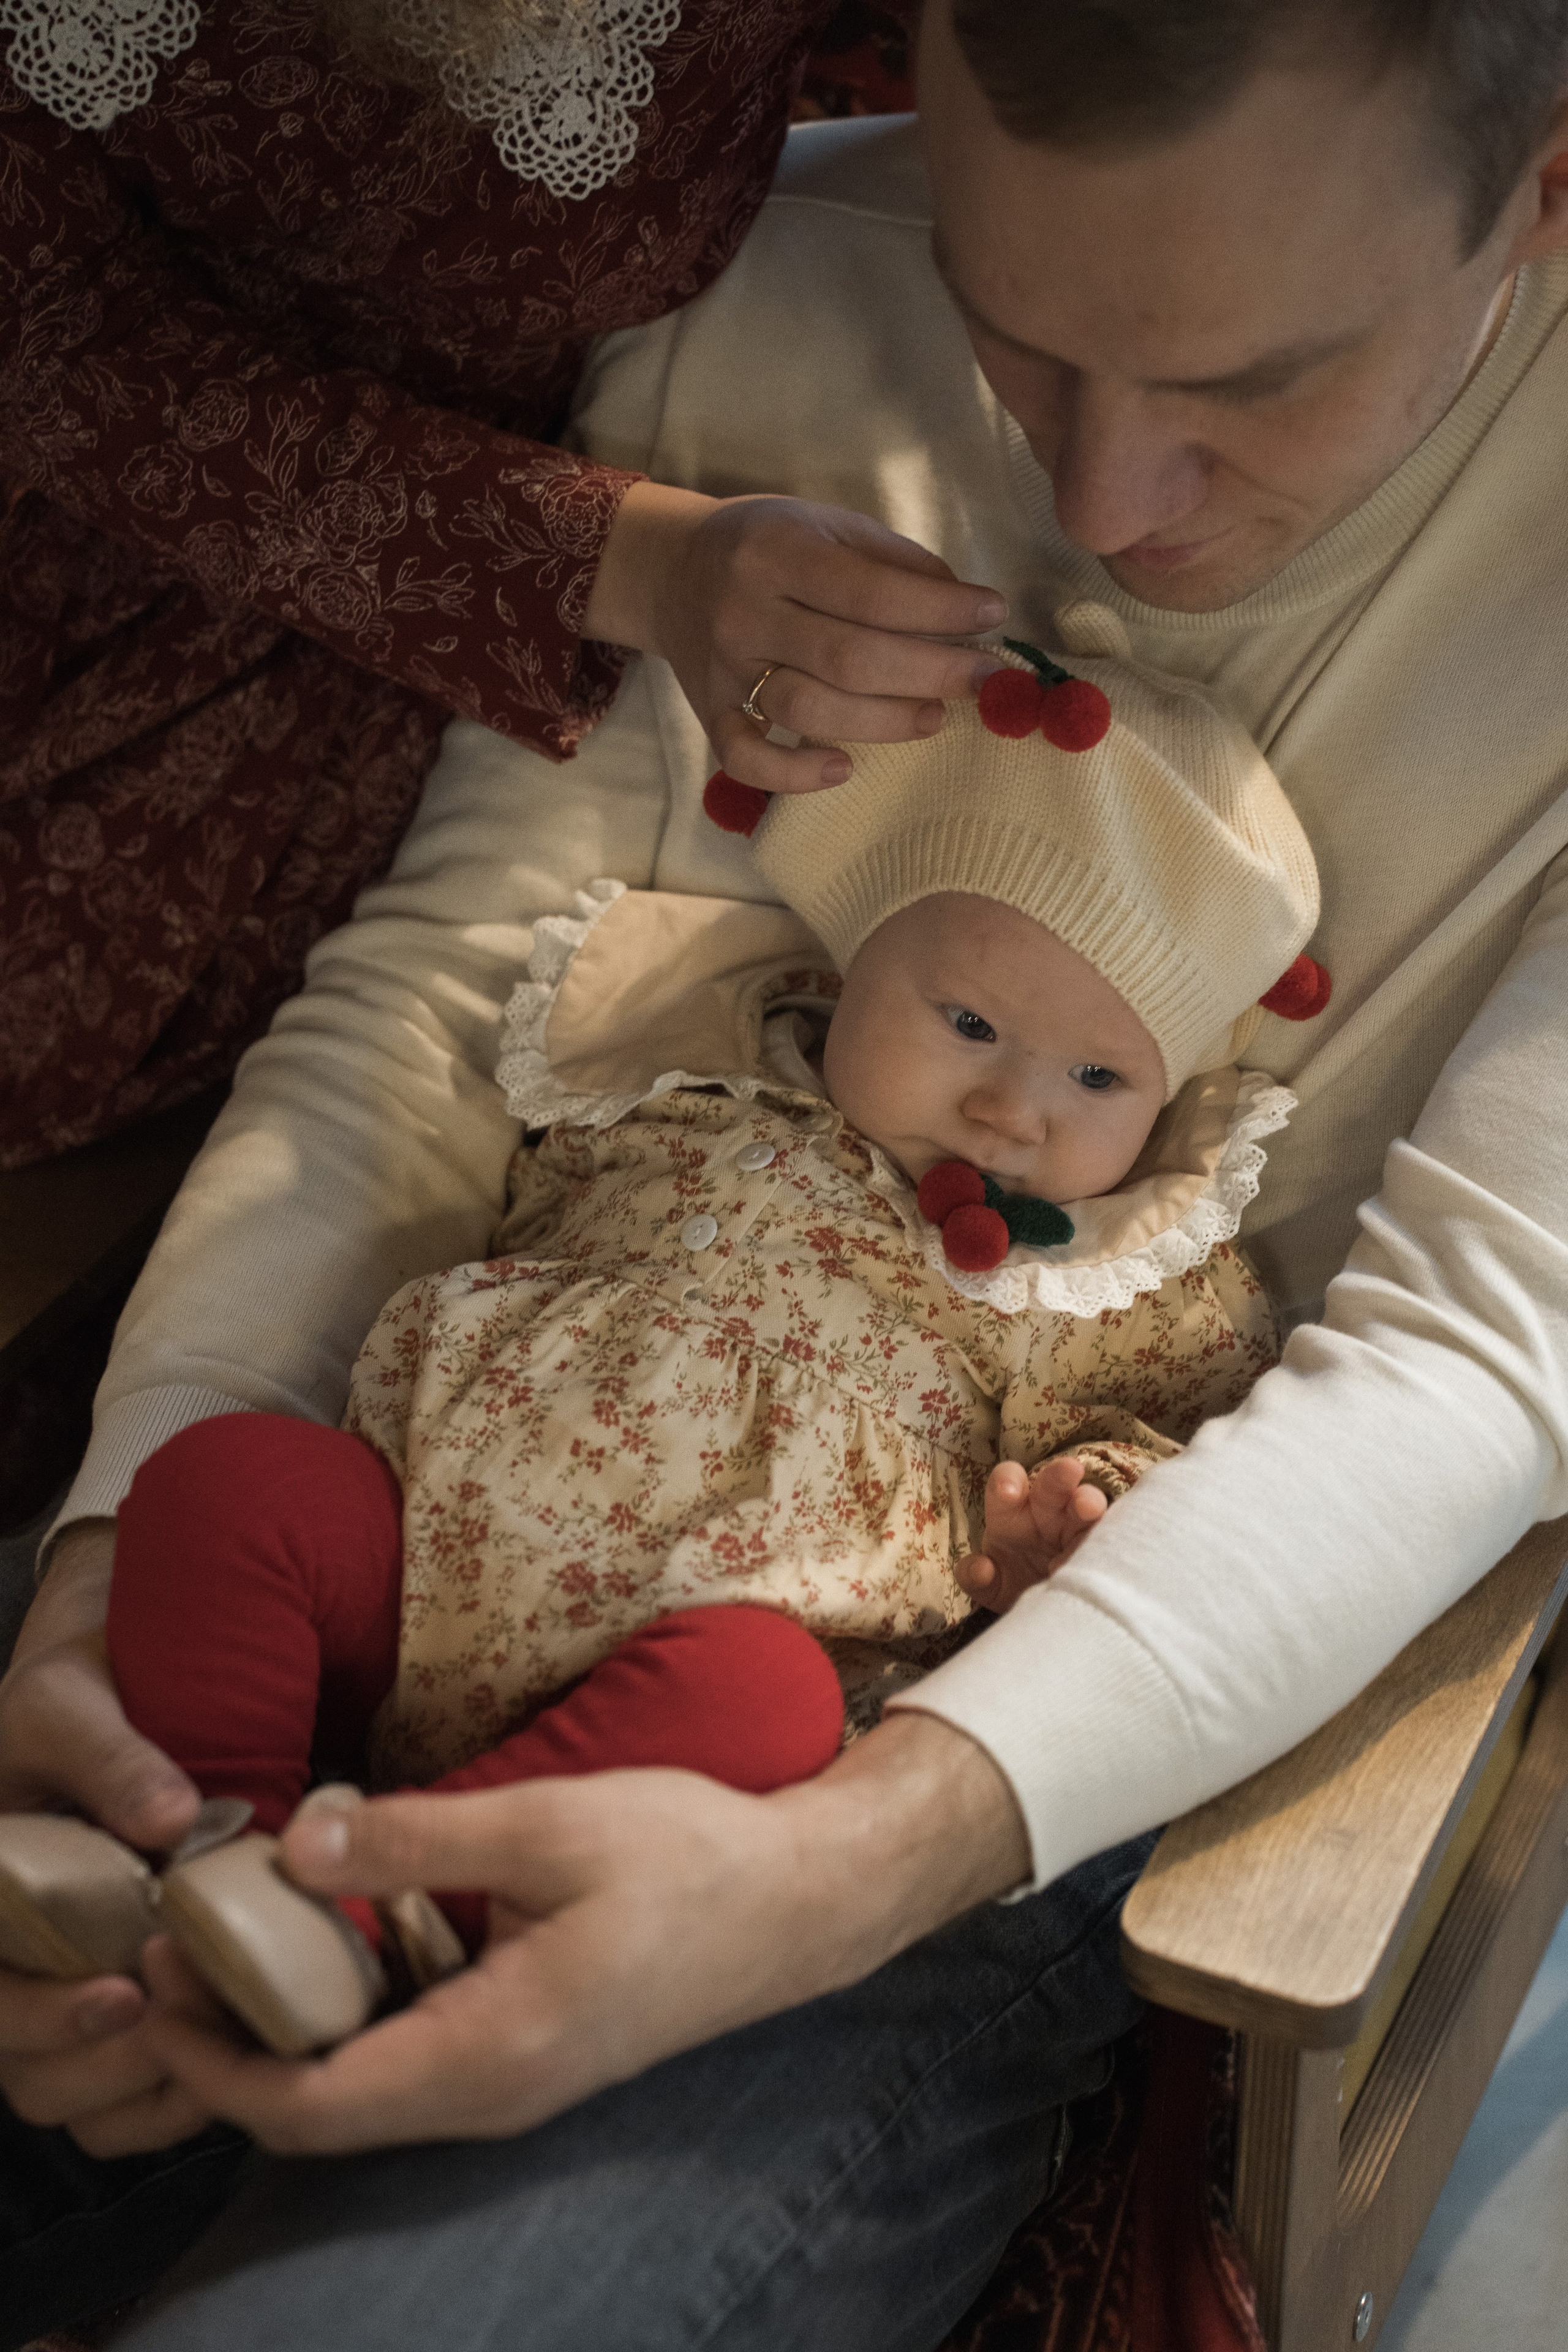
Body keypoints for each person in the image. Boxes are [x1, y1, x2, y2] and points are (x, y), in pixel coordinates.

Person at [7, 0, 1568, 2343]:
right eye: (1016, 339)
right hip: (439, 1462)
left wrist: (852, 1863)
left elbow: (1476, 1358)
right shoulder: (775, 280)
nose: (1106, 496)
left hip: (948, 1695)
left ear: (1545, 185)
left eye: (1252, 388)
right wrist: (115, 1558)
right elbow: (435, 1019)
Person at [0, 628, 1318, 2059]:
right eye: (966, 1021)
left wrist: (1068, 1524)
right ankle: (205, 1834)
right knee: (226, 1482)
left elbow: (1170, 1452)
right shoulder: (683, 1074)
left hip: (709, 1648)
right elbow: (461, 1181)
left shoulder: (1113, 1277)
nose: (1011, 1105)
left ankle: (370, 1902)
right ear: (853, 959)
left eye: (1095, 1075)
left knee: (767, 1707)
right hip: (424, 1545)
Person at [0, 0, 1000, 1168]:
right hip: (349, 582)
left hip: (354, 654)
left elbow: (1101, 82)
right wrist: (630, 563)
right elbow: (42, 322)